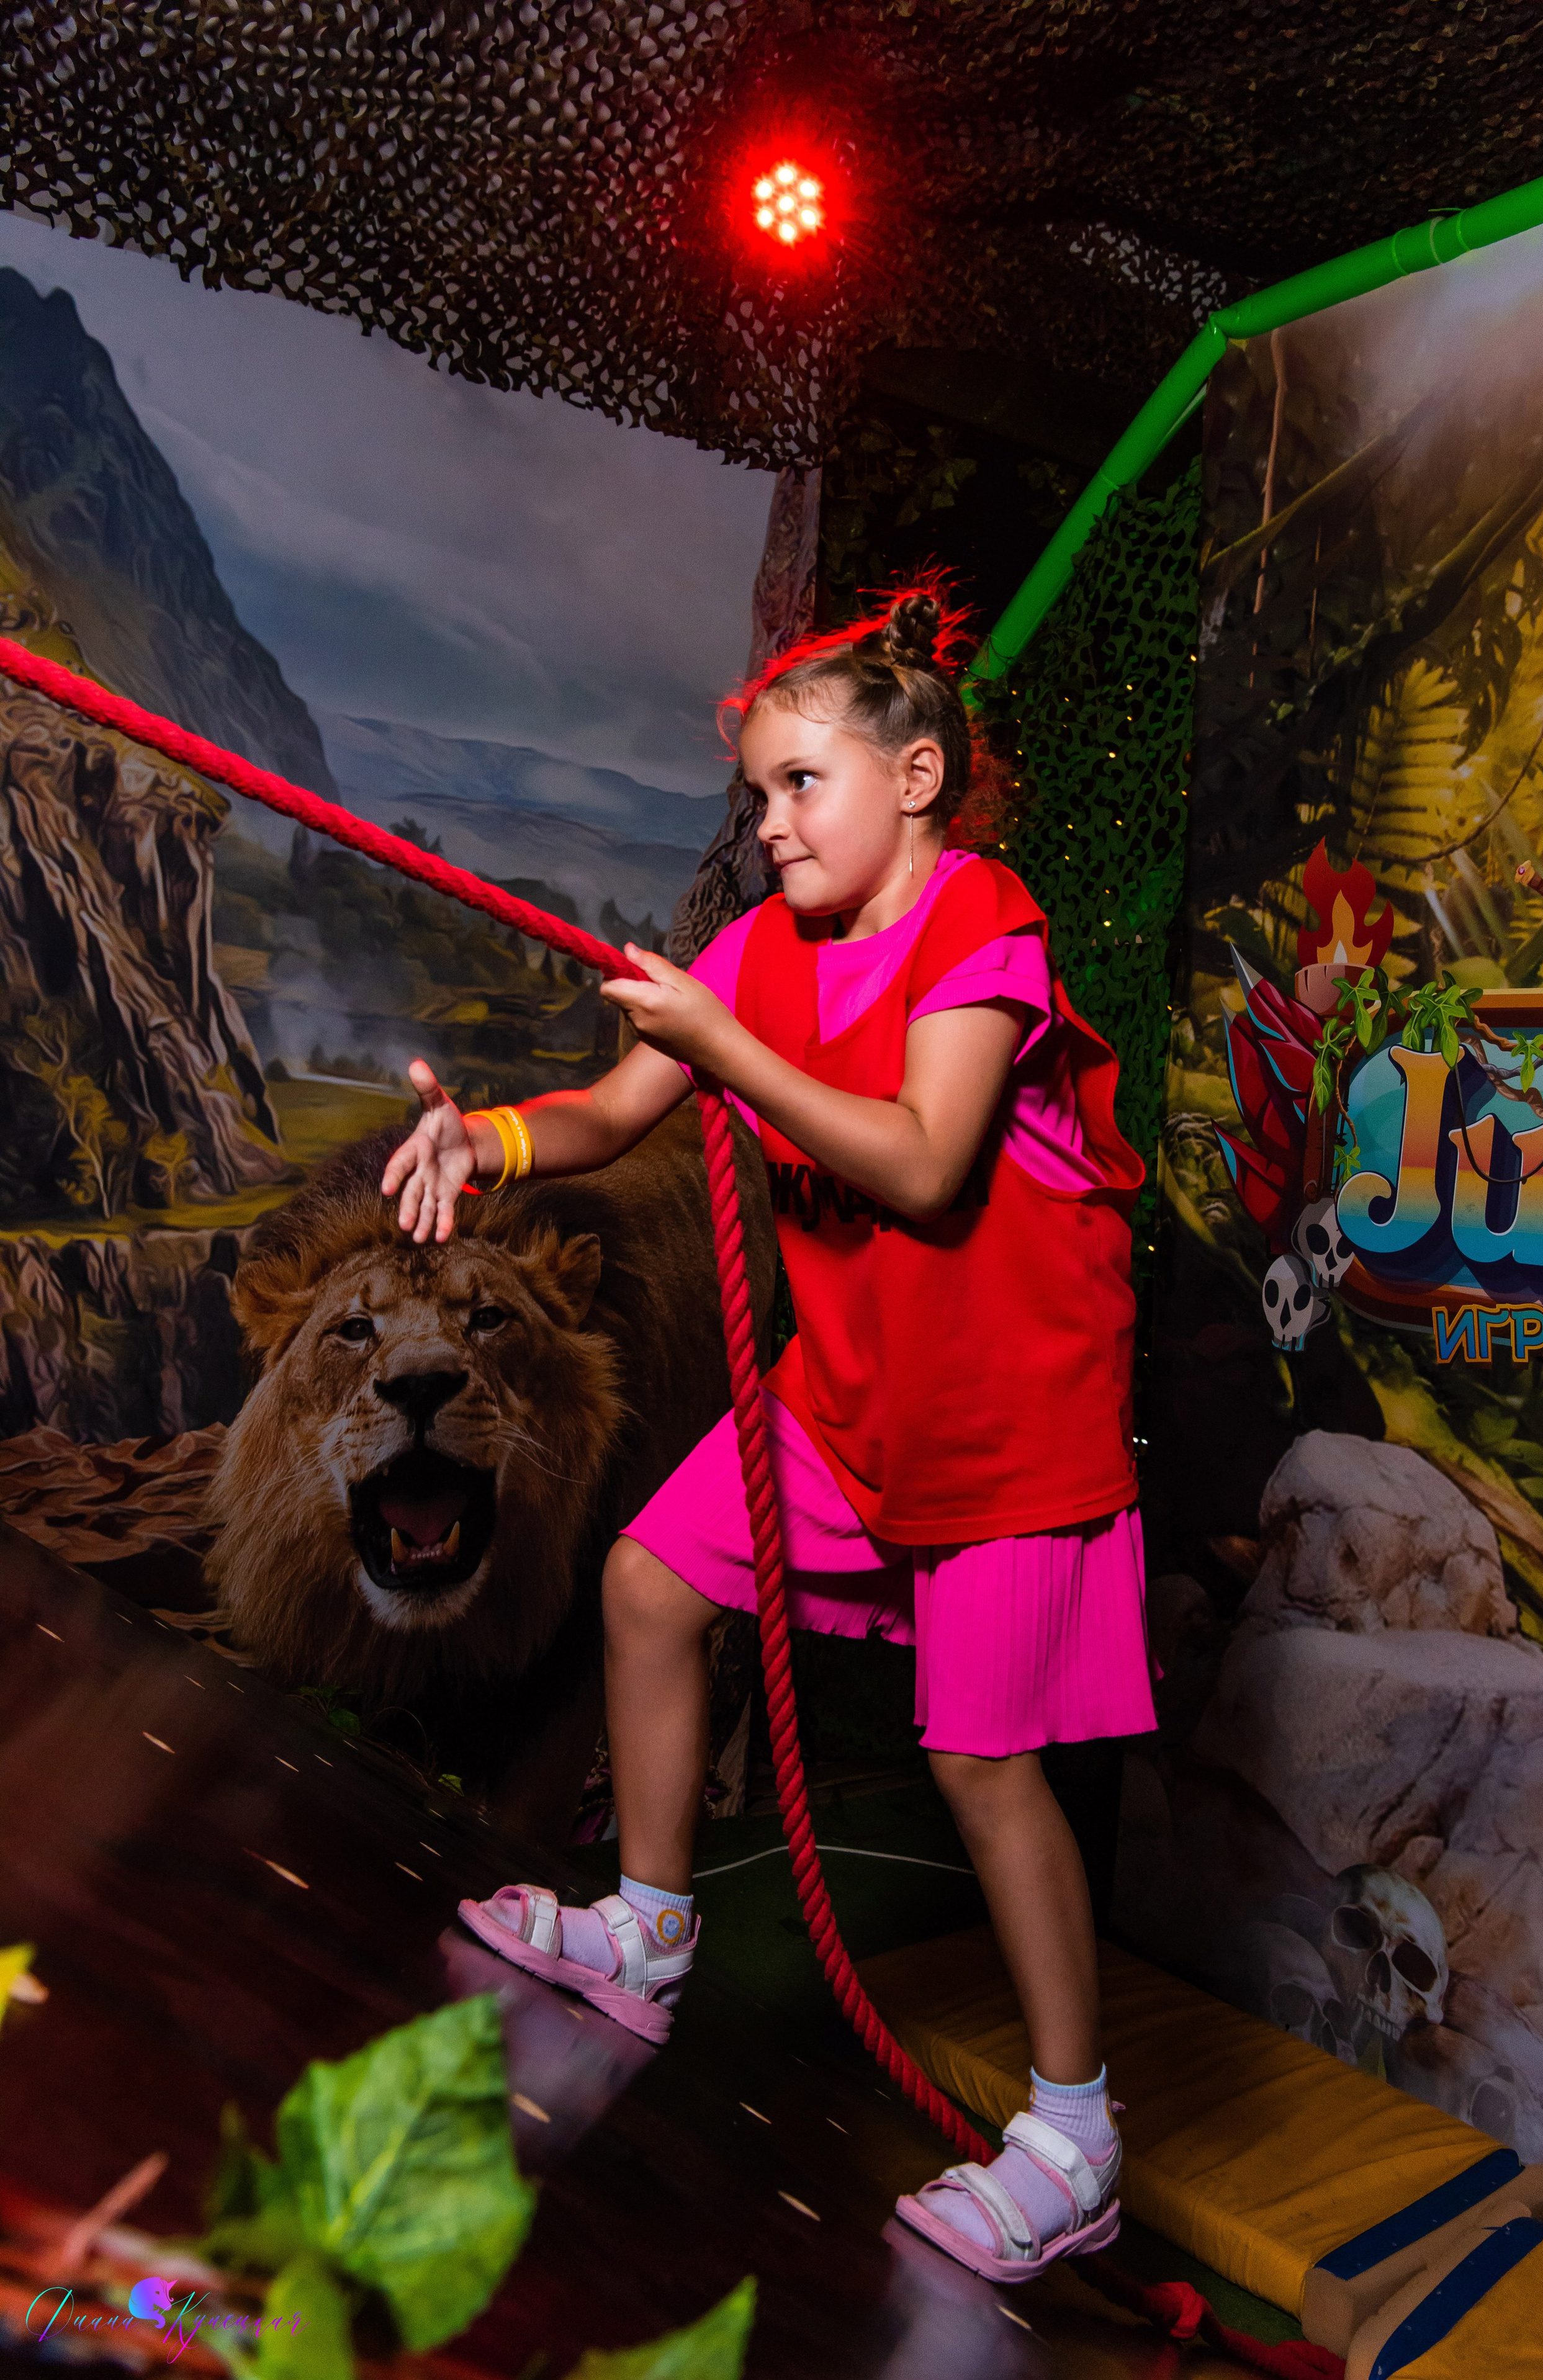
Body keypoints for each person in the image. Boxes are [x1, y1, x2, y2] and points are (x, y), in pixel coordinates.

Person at [379, 585, 1155, 2283]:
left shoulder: (982, 925)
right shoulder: (762, 951)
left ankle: (1075, 2133)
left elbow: (924, 1159)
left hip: (1009, 1413)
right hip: (855, 1393)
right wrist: (492, 1140)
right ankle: (650, 1926)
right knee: (653, 1588)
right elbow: (618, 1104)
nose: (772, 820)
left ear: (922, 777)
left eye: (805, 782)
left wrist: (733, 1044)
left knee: (981, 1759)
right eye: (758, 794)